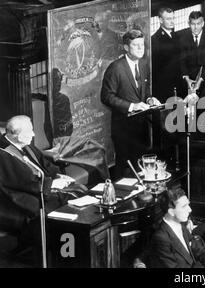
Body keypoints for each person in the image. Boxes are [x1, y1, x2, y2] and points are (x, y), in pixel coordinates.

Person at [0, 116, 85, 251]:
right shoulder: (4, 153)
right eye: (30, 131)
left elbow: (43, 163)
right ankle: (53, 250)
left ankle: (78, 242)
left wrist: (57, 175)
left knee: (79, 190)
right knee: (51, 208)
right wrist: (51, 184)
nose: (34, 134)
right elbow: (21, 181)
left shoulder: (24, 144)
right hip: (17, 196)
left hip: (37, 187)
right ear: (17, 136)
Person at [101, 29, 161, 179]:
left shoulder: (143, 64)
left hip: (141, 128)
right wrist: (132, 106)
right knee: (124, 169)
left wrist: (149, 99)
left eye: (142, 44)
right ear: (126, 48)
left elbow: (144, 91)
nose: (141, 48)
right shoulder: (116, 68)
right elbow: (106, 96)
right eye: (136, 45)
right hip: (123, 129)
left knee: (140, 168)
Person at [147, 188, 205, 268]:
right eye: (184, 206)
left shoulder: (181, 225)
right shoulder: (161, 238)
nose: (190, 209)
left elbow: (200, 251)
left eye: (188, 205)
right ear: (171, 212)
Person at [179, 11, 205, 98]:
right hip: (189, 81)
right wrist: (187, 79)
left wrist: (200, 80)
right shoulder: (183, 39)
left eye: (198, 24)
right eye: (193, 24)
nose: (196, 27)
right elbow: (182, 61)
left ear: (203, 23)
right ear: (189, 24)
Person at [151, 7, 181, 102]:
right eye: (168, 19)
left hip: (178, 84)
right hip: (164, 87)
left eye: (173, 18)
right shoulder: (155, 40)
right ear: (160, 20)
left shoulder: (176, 36)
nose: (172, 22)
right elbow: (156, 70)